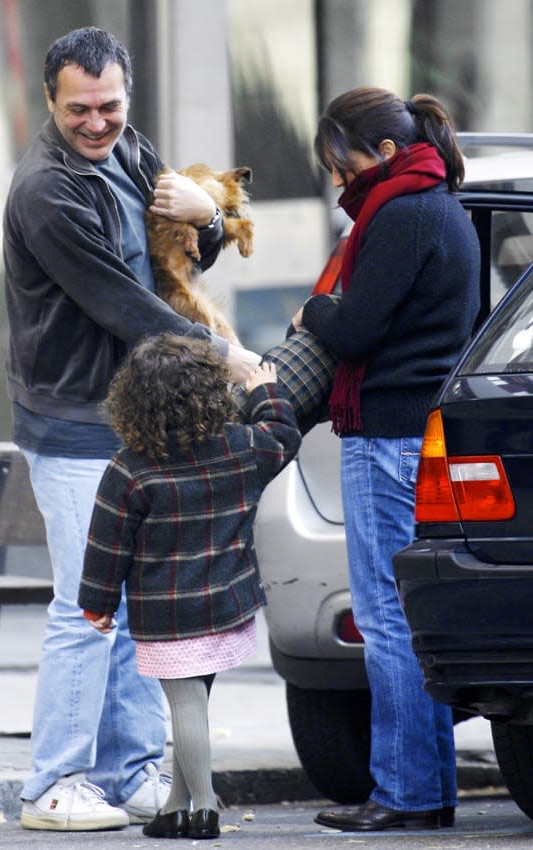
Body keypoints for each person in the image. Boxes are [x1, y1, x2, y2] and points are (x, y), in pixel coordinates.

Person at [3, 26, 260, 832]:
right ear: (50, 101)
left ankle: (134, 771)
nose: (96, 122)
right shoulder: (46, 189)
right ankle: (53, 784)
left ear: (126, 96)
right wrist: (228, 357)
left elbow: (177, 261)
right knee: (88, 609)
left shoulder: (132, 149)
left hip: (133, 417)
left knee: (136, 607)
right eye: (79, 109)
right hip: (76, 422)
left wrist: (209, 216)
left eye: (109, 105)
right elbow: (123, 301)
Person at [289, 87, 481, 831]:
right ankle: (424, 791)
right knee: (409, 617)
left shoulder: (400, 215)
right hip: (416, 435)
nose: (342, 182)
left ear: (387, 154)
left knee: (387, 619)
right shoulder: (445, 209)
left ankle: (405, 794)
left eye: (344, 165)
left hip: (387, 438)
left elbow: (356, 331)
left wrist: (316, 313)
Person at [78, 334, 301, 840]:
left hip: (169, 615)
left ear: (133, 399)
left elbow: (106, 547)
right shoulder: (241, 447)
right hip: (225, 605)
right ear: (208, 390)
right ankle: (175, 806)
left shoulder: (129, 469)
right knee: (195, 701)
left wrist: (97, 604)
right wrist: (265, 391)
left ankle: (204, 809)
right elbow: (283, 435)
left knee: (185, 706)